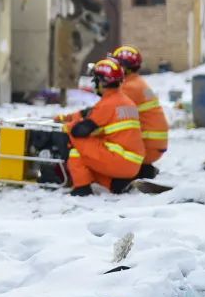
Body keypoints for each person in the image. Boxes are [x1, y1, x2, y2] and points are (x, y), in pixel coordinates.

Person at [56, 58, 145, 196]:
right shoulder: (126, 101)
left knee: (75, 142)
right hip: (133, 162)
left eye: (95, 80)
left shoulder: (107, 104)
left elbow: (80, 131)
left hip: (121, 160)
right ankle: (114, 184)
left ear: (102, 82)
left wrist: (67, 126)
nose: (94, 83)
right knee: (87, 154)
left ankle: (82, 188)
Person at [110, 45, 169, 179]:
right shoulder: (137, 83)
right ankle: (143, 169)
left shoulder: (129, 88)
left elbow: (108, 112)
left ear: (124, 68)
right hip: (154, 144)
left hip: (147, 146)